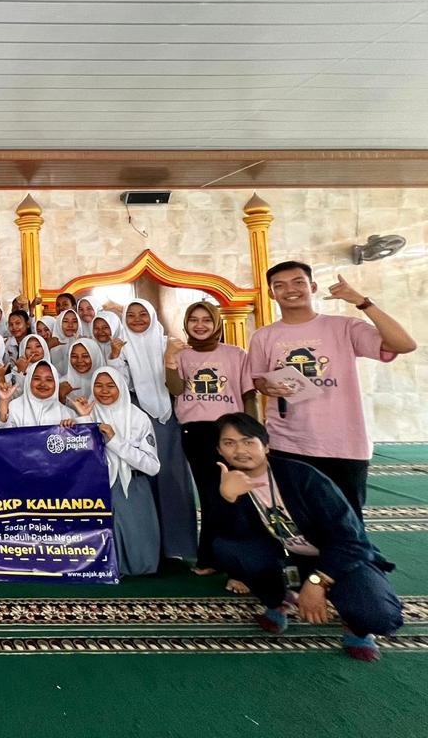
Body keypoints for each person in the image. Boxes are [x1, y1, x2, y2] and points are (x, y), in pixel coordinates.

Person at [212, 412, 402, 661]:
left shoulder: (304, 477)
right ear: (219, 450)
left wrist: (317, 581)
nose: (239, 450)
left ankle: (356, 627)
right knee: (227, 548)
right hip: (288, 558)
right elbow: (233, 539)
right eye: (229, 443)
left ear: (266, 445)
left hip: (339, 557)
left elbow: (352, 540)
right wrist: (229, 499)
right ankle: (280, 600)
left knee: (380, 618)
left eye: (248, 441)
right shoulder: (228, 483)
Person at [244, 261, 416, 520]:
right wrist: (267, 386)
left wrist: (362, 302)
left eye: (298, 282)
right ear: (271, 294)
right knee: (297, 519)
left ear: (312, 286)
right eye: (280, 285)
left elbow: (404, 344)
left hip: (343, 443)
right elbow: (258, 380)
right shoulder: (263, 336)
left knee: (346, 522)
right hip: (287, 443)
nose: (290, 290)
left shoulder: (344, 327)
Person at [165, 302, 257, 580]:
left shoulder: (236, 354)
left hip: (231, 432)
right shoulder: (182, 355)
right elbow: (176, 389)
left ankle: (242, 559)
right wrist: (170, 359)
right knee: (210, 495)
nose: (200, 325)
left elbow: (248, 394)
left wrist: (252, 433)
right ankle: (211, 556)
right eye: (194, 320)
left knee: (237, 495)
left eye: (206, 319)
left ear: (216, 323)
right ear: (186, 324)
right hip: (196, 433)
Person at [121, 298, 197, 563]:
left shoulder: (169, 344)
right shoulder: (121, 346)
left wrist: (169, 358)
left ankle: (178, 546)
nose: (137, 319)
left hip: (169, 418)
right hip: (135, 417)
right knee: (142, 480)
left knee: (171, 478)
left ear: (153, 316)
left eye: (143, 314)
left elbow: (180, 384)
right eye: (131, 315)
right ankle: (148, 547)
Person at [90, 367, 162, 577]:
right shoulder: (87, 414)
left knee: (139, 556)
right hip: (97, 487)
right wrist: (78, 422)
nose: (104, 391)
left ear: (121, 387)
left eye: (110, 386)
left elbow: (152, 466)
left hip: (132, 485)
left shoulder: (138, 418)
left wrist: (115, 441)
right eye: (98, 385)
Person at [0, 360, 92, 428]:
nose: (42, 384)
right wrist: (4, 401)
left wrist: (82, 419)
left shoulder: (68, 413)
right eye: (37, 379)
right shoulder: (13, 407)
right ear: (28, 381)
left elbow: (82, 443)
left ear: (56, 383)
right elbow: (3, 436)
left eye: (49, 380)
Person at [58, 338, 104, 406]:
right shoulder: (61, 384)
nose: (79, 360)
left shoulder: (108, 384)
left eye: (85, 356)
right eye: (74, 356)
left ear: (95, 357)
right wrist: (60, 397)